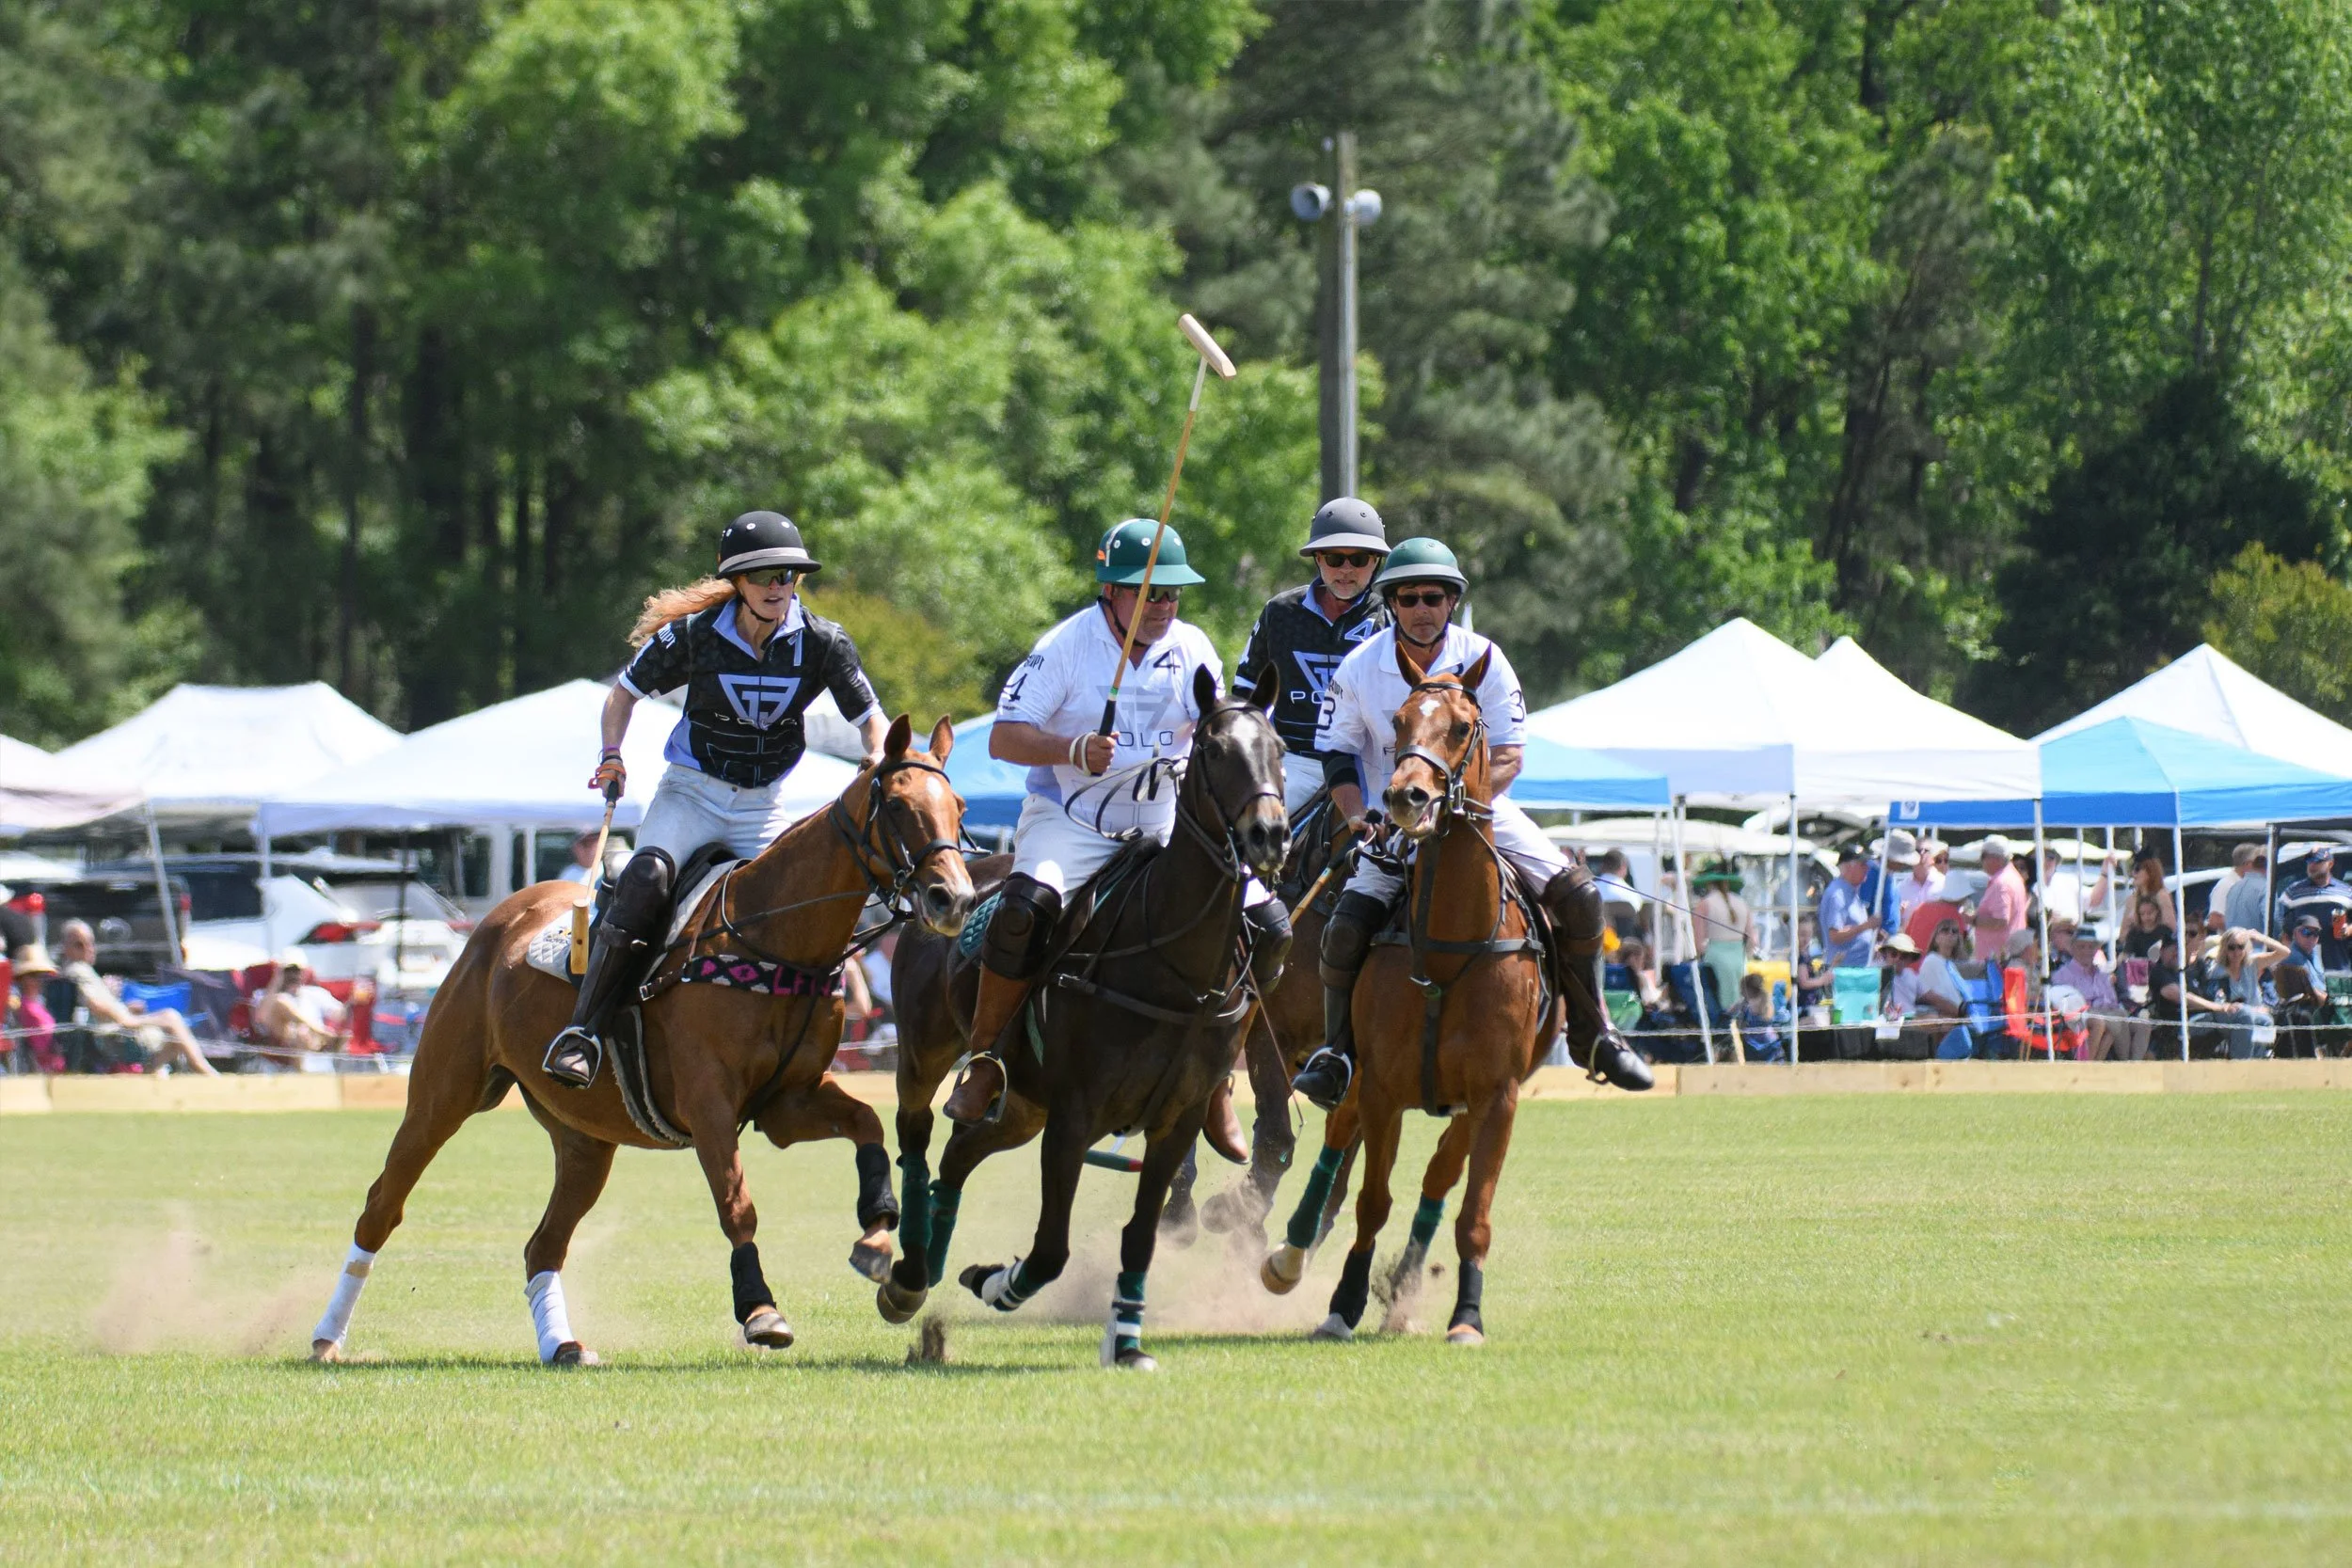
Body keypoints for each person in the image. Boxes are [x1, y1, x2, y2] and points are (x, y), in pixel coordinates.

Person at [941, 519, 1279, 1162]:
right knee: (1022, 910)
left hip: (1163, 824)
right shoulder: (1067, 646)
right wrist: (1071, 748)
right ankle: (986, 1059)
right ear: (1111, 590)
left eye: (1172, 595)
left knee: (1271, 924)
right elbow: (1004, 736)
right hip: (1072, 821)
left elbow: (1219, 728)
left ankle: (1215, 1081)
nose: (1163, 606)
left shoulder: (1193, 646)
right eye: (1149, 592)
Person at [1289, 536, 1649, 1108]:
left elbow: (1508, 754)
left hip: (1479, 813)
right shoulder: (1361, 668)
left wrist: (1458, 807)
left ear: (1452, 600)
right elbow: (1337, 753)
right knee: (1346, 927)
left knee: (1580, 897)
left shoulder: (1485, 659)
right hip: (1393, 817)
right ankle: (1338, 1054)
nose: (1421, 608)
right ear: (1392, 604)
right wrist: (1359, 817)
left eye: (1434, 596)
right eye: (1408, 598)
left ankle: (1594, 1033)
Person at [545, 511, 889, 1090]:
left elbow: (872, 720)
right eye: (767, 575)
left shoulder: (824, 642)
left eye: (789, 575)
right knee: (647, 880)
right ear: (739, 582)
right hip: (692, 795)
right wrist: (612, 753)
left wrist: (877, 758)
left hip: (763, 804)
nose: (780, 586)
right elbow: (622, 695)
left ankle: (795, 1040)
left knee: (799, 904)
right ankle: (586, 1031)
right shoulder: (694, 635)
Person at [1231, 498, 1390, 816]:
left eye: (1358, 559)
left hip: (1371, 767)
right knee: (1246, 839)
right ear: (1318, 558)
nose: (1346, 570)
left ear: (1375, 562)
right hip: (1297, 763)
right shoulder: (1280, 613)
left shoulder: (1391, 619)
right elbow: (1245, 695)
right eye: (1334, 558)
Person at [52, 919, 218, 1076]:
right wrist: (126, 1018)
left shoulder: (84, 970)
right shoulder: (77, 970)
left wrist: (125, 1008)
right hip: (113, 1036)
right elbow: (95, 1004)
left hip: (117, 1030)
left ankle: (151, 1075)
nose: (88, 948)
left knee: (176, 1039)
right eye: (79, 945)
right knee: (171, 1017)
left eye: (90, 943)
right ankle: (206, 1072)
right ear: (66, 948)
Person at [2198, 927, 2287, 1058]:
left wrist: (2261, 938)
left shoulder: (2252, 963)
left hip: (2252, 1013)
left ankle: (2256, 1063)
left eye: (2240, 947)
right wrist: (2252, 1009)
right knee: (2246, 1015)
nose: (2236, 952)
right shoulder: (2217, 970)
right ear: (2224, 948)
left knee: (2266, 1021)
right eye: (2231, 947)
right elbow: (2219, 1001)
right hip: (2226, 1013)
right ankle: (2240, 1064)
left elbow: (2284, 952)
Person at [2275, 845, 2352, 972]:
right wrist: (2287, 961)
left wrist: (2347, 930)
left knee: (2338, 992)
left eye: (2317, 861)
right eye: (2309, 861)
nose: (2312, 865)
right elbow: (2284, 931)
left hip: (2337, 965)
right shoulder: (2292, 892)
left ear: (2330, 864)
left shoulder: (2347, 891)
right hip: (2303, 968)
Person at [2050, 926, 2122, 1061]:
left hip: (2101, 1013)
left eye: (2090, 947)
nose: (2086, 951)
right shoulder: (2063, 974)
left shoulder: (2101, 975)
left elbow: (2113, 1001)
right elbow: (2061, 1001)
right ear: (2073, 949)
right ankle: (2086, 1063)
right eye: (2082, 947)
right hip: (2071, 1017)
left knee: (2120, 1022)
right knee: (2103, 1022)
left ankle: (2098, 1063)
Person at [1692, 863, 1754, 1018]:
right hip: (1739, 955)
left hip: (1716, 955)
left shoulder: (1704, 904)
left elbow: (1698, 942)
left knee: (1720, 1000)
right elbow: (1752, 938)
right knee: (1740, 996)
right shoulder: (1742, 903)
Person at [256, 957, 349, 1054]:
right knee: (281, 1002)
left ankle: (322, 1037)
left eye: (296, 971)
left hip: (316, 1040)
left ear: (303, 973)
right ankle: (325, 1035)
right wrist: (276, 982)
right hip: (287, 1041)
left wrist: (353, 1001)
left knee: (304, 1032)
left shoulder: (315, 993)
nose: (293, 976)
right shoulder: (268, 996)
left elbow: (339, 1014)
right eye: (288, 971)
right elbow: (261, 1018)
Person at [1818, 847, 1877, 970]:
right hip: (1845, 972)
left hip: (1857, 969)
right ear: (1850, 867)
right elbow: (1835, 936)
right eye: (1863, 865)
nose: (1867, 868)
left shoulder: (1851, 892)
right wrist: (1866, 926)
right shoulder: (1837, 895)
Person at [1972, 835, 2028, 962]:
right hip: (2010, 954)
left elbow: (2000, 921)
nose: (1981, 862)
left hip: (1997, 960)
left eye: (1983, 857)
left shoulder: (2001, 883)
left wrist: (1972, 920)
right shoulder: (2014, 877)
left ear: (1994, 858)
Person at [8, 943, 60, 1072]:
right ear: (21, 979)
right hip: (43, 1072)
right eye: (34, 975)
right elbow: (44, 1048)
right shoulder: (27, 1009)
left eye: (43, 975)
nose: (40, 980)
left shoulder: (40, 1005)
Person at [2223, 846, 2270, 934]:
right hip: (2259, 946)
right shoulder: (2267, 888)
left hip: (2233, 944)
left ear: (2251, 863)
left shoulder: (2234, 887)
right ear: (2271, 864)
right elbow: (2272, 921)